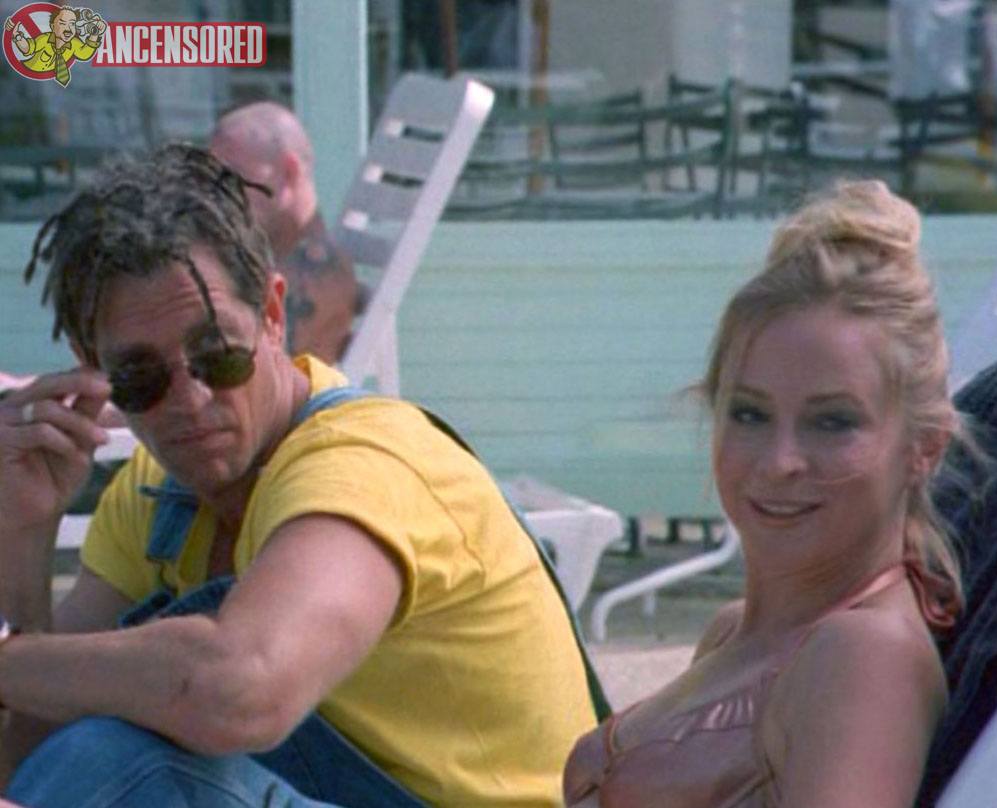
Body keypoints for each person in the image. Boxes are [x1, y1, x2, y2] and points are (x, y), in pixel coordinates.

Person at [0, 143, 598, 808]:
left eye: (216, 354)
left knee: (119, 764)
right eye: (141, 376)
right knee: (87, 747)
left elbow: (244, 690)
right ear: (93, 367)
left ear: (273, 316)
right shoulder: (154, 496)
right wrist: (24, 528)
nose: (191, 399)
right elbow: (26, 753)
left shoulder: (365, 463)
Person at [563, 180, 964, 808]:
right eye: (749, 414)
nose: (779, 462)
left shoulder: (862, 658)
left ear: (925, 448)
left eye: (832, 422)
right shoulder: (736, 633)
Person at [209, 102, 363, 366]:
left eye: (235, 178)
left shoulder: (314, 276)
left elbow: (284, 382)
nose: (219, 195)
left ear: (289, 172)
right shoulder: (273, 261)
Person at [5, 6, 106, 87]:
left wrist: (95, 33)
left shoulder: (74, 43)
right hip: (26, 77)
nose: (68, 29)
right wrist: (17, 36)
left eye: (72, 24)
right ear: (53, 27)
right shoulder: (45, 39)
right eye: (62, 24)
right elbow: (27, 48)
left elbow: (84, 53)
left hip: (52, 85)